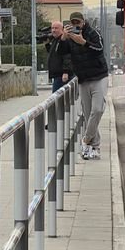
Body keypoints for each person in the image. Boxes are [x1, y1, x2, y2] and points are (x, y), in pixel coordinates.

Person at [58, 12, 108, 160]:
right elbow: (60, 53)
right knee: (87, 114)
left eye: (78, 22)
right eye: (73, 23)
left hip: (99, 76)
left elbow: (99, 48)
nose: (76, 25)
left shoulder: (93, 33)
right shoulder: (69, 38)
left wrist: (84, 42)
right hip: (83, 79)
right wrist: (63, 39)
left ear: (83, 22)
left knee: (97, 110)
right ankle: (94, 147)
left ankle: (86, 140)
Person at [45, 21, 73, 92]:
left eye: (56, 28)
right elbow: (54, 53)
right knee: (57, 99)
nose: (53, 30)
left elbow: (67, 56)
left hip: (62, 75)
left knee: (56, 98)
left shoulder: (63, 40)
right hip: (57, 75)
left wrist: (66, 72)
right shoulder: (55, 39)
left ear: (62, 29)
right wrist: (47, 44)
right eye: (52, 28)